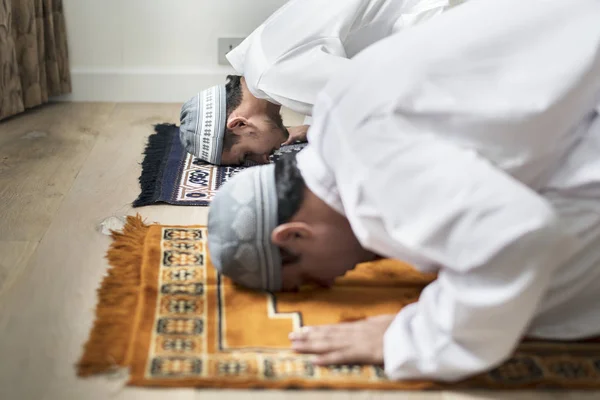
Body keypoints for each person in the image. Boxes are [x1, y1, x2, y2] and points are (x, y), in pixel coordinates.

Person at [206, 0, 600, 382]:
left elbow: (520, 235)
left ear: (294, 235)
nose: (335, 280)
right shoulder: (335, 118)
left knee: (542, 295)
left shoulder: (370, 176)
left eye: (309, 277)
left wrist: (414, 338)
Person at [179, 0, 463, 166]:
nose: (263, 159)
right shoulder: (256, 56)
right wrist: (315, 127)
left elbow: (388, 98)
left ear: (239, 124)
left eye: (246, 156)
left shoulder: (274, 76)